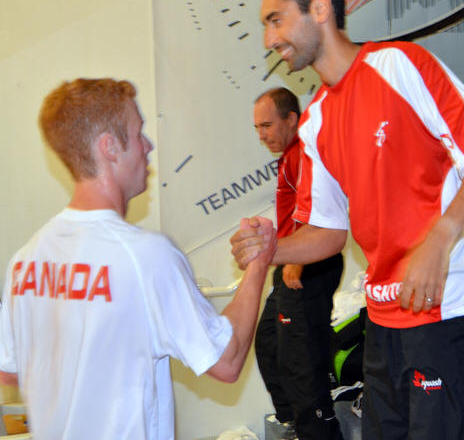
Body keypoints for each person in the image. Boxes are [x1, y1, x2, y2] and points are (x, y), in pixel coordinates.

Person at [231, 0, 464, 440]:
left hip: (446, 311)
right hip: (382, 323)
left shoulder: (399, 65)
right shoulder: (316, 121)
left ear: (320, 8)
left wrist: (441, 237)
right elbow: (329, 231)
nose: (269, 38)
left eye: (276, 20)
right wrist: (273, 247)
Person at [0, 78, 275, 440]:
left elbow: (10, 371)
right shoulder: (145, 256)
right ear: (110, 146)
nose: (148, 145)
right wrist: (258, 263)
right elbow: (226, 360)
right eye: (138, 132)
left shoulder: (25, 261)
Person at [253, 87, 343, 440]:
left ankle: (317, 431)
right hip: (293, 260)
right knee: (269, 344)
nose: (261, 135)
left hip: (308, 263)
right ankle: (297, 426)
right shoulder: (290, 156)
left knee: (301, 363)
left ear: (291, 119)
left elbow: (318, 207)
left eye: (266, 125)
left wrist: (297, 261)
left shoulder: (305, 151)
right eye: (257, 128)